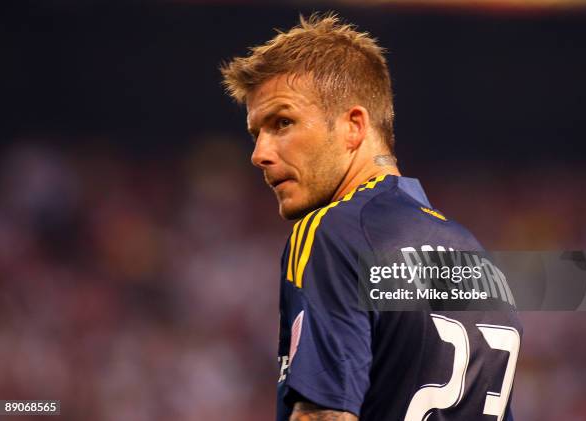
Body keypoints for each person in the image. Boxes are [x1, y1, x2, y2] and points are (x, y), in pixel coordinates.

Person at [221, 13, 521, 421]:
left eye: (283, 123)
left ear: (353, 126)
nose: (260, 154)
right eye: (257, 133)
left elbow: (325, 413)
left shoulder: (333, 232)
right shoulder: (476, 255)